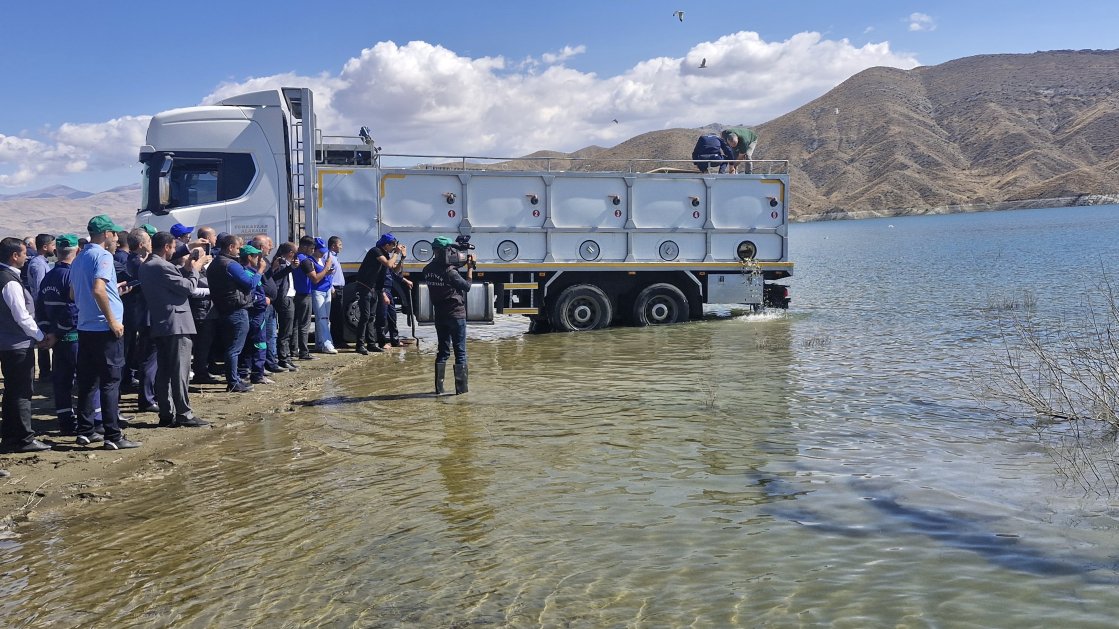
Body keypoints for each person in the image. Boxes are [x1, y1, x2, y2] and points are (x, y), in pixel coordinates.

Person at [70, 215, 141, 450]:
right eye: (114, 234)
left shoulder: (79, 258)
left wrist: (114, 293)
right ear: (107, 234)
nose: (116, 239)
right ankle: (113, 435)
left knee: (88, 381)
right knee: (111, 381)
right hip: (104, 327)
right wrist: (113, 320)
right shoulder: (103, 256)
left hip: (86, 327)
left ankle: (85, 430)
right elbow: (98, 288)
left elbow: (74, 293)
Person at [139, 231, 210, 428]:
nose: (174, 251)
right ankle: (184, 414)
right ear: (167, 247)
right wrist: (196, 268)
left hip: (162, 323)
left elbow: (176, 285)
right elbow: (187, 288)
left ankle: (166, 412)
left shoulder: (148, 265)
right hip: (176, 324)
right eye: (172, 247)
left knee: (164, 371)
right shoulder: (161, 266)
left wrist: (188, 267)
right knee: (180, 371)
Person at [36, 234, 102, 435]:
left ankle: (66, 421)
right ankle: (95, 421)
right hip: (73, 337)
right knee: (88, 380)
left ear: (56, 252)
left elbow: (41, 308)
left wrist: (48, 333)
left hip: (57, 341)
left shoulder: (49, 276)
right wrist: (56, 333)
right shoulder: (72, 276)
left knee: (62, 382)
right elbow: (73, 311)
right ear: (78, 251)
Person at [0, 237, 54, 453]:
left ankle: (10, 435)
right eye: (24, 254)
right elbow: (22, 316)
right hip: (17, 345)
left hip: (8, 343)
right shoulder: (9, 281)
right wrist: (40, 336)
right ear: (15, 256)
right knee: (22, 392)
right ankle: (24, 438)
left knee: (12, 391)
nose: (26, 257)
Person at [206, 233, 259, 392]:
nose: (239, 251)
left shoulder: (215, 264)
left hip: (222, 308)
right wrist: (259, 271)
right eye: (237, 248)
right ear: (230, 247)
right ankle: (233, 381)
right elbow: (249, 283)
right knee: (234, 348)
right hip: (236, 309)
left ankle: (234, 379)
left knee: (231, 346)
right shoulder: (230, 264)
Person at [422, 236, 474, 394]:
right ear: (447, 251)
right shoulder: (450, 272)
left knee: (443, 352)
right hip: (456, 314)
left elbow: (444, 269)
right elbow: (467, 286)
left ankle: (439, 389)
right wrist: (471, 268)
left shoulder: (427, 270)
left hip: (440, 316)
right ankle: (462, 392)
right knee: (460, 353)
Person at [238, 243, 272, 385]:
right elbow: (250, 293)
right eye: (257, 256)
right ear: (250, 257)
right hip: (255, 314)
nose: (259, 258)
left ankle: (249, 372)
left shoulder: (252, 271)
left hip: (258, 313)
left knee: (253, 343)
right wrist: (262, 300)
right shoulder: (247, 273)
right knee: (258, 343)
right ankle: (256, 374)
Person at [23, 233, 55, 382]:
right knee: (44, 338)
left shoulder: (42, 262)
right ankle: (45, 373)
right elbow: (41, 289)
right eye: (52, 245)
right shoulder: (38, 264)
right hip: (42, 308)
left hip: (42, 307)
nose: (54, 248)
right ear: (45, 246)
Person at [373, 234, 412, 349]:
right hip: (382, 289)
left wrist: (402, 258)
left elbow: (394, 271)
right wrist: (396, 253)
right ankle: (381, 342)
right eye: (393, 245)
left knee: (392, 316)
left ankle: (394, 340)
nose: (394, 248)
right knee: (382, 317)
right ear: (386, 245)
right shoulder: (380, 255)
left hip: (389, 289)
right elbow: (389, 265)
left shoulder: (386, 255)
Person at [269, 242, 300, 370]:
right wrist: (290, 268)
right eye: (295, 252)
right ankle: (283, 358)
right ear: (290, 253)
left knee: (289, 329)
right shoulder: (281, 263)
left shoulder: (285, 263)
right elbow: (276, 278)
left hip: (289, 296)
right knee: (285, 330)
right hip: (284, 298)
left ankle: (286, 357)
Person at [310, 237, 337, 353]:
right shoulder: (311, 261)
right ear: (314, 249)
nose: (322, 253)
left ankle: (319, 343)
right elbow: (316, 278)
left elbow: (325, 274)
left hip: (326, 290)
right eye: (320, 251)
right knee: (322, 318)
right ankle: (327, 343)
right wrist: (327, 269)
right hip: (317, 291)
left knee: (325, 319)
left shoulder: (322, 260)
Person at [326, 236, 350, 349]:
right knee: (336, 316)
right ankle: (337, 340)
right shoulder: (329, 256)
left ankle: (339, 339)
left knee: (339, 315)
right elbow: (328, 274)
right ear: (333, 245)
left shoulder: (335, 257)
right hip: (335, 288)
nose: (341, 247)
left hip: (339, 288)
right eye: (340, 245)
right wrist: (331, 288)